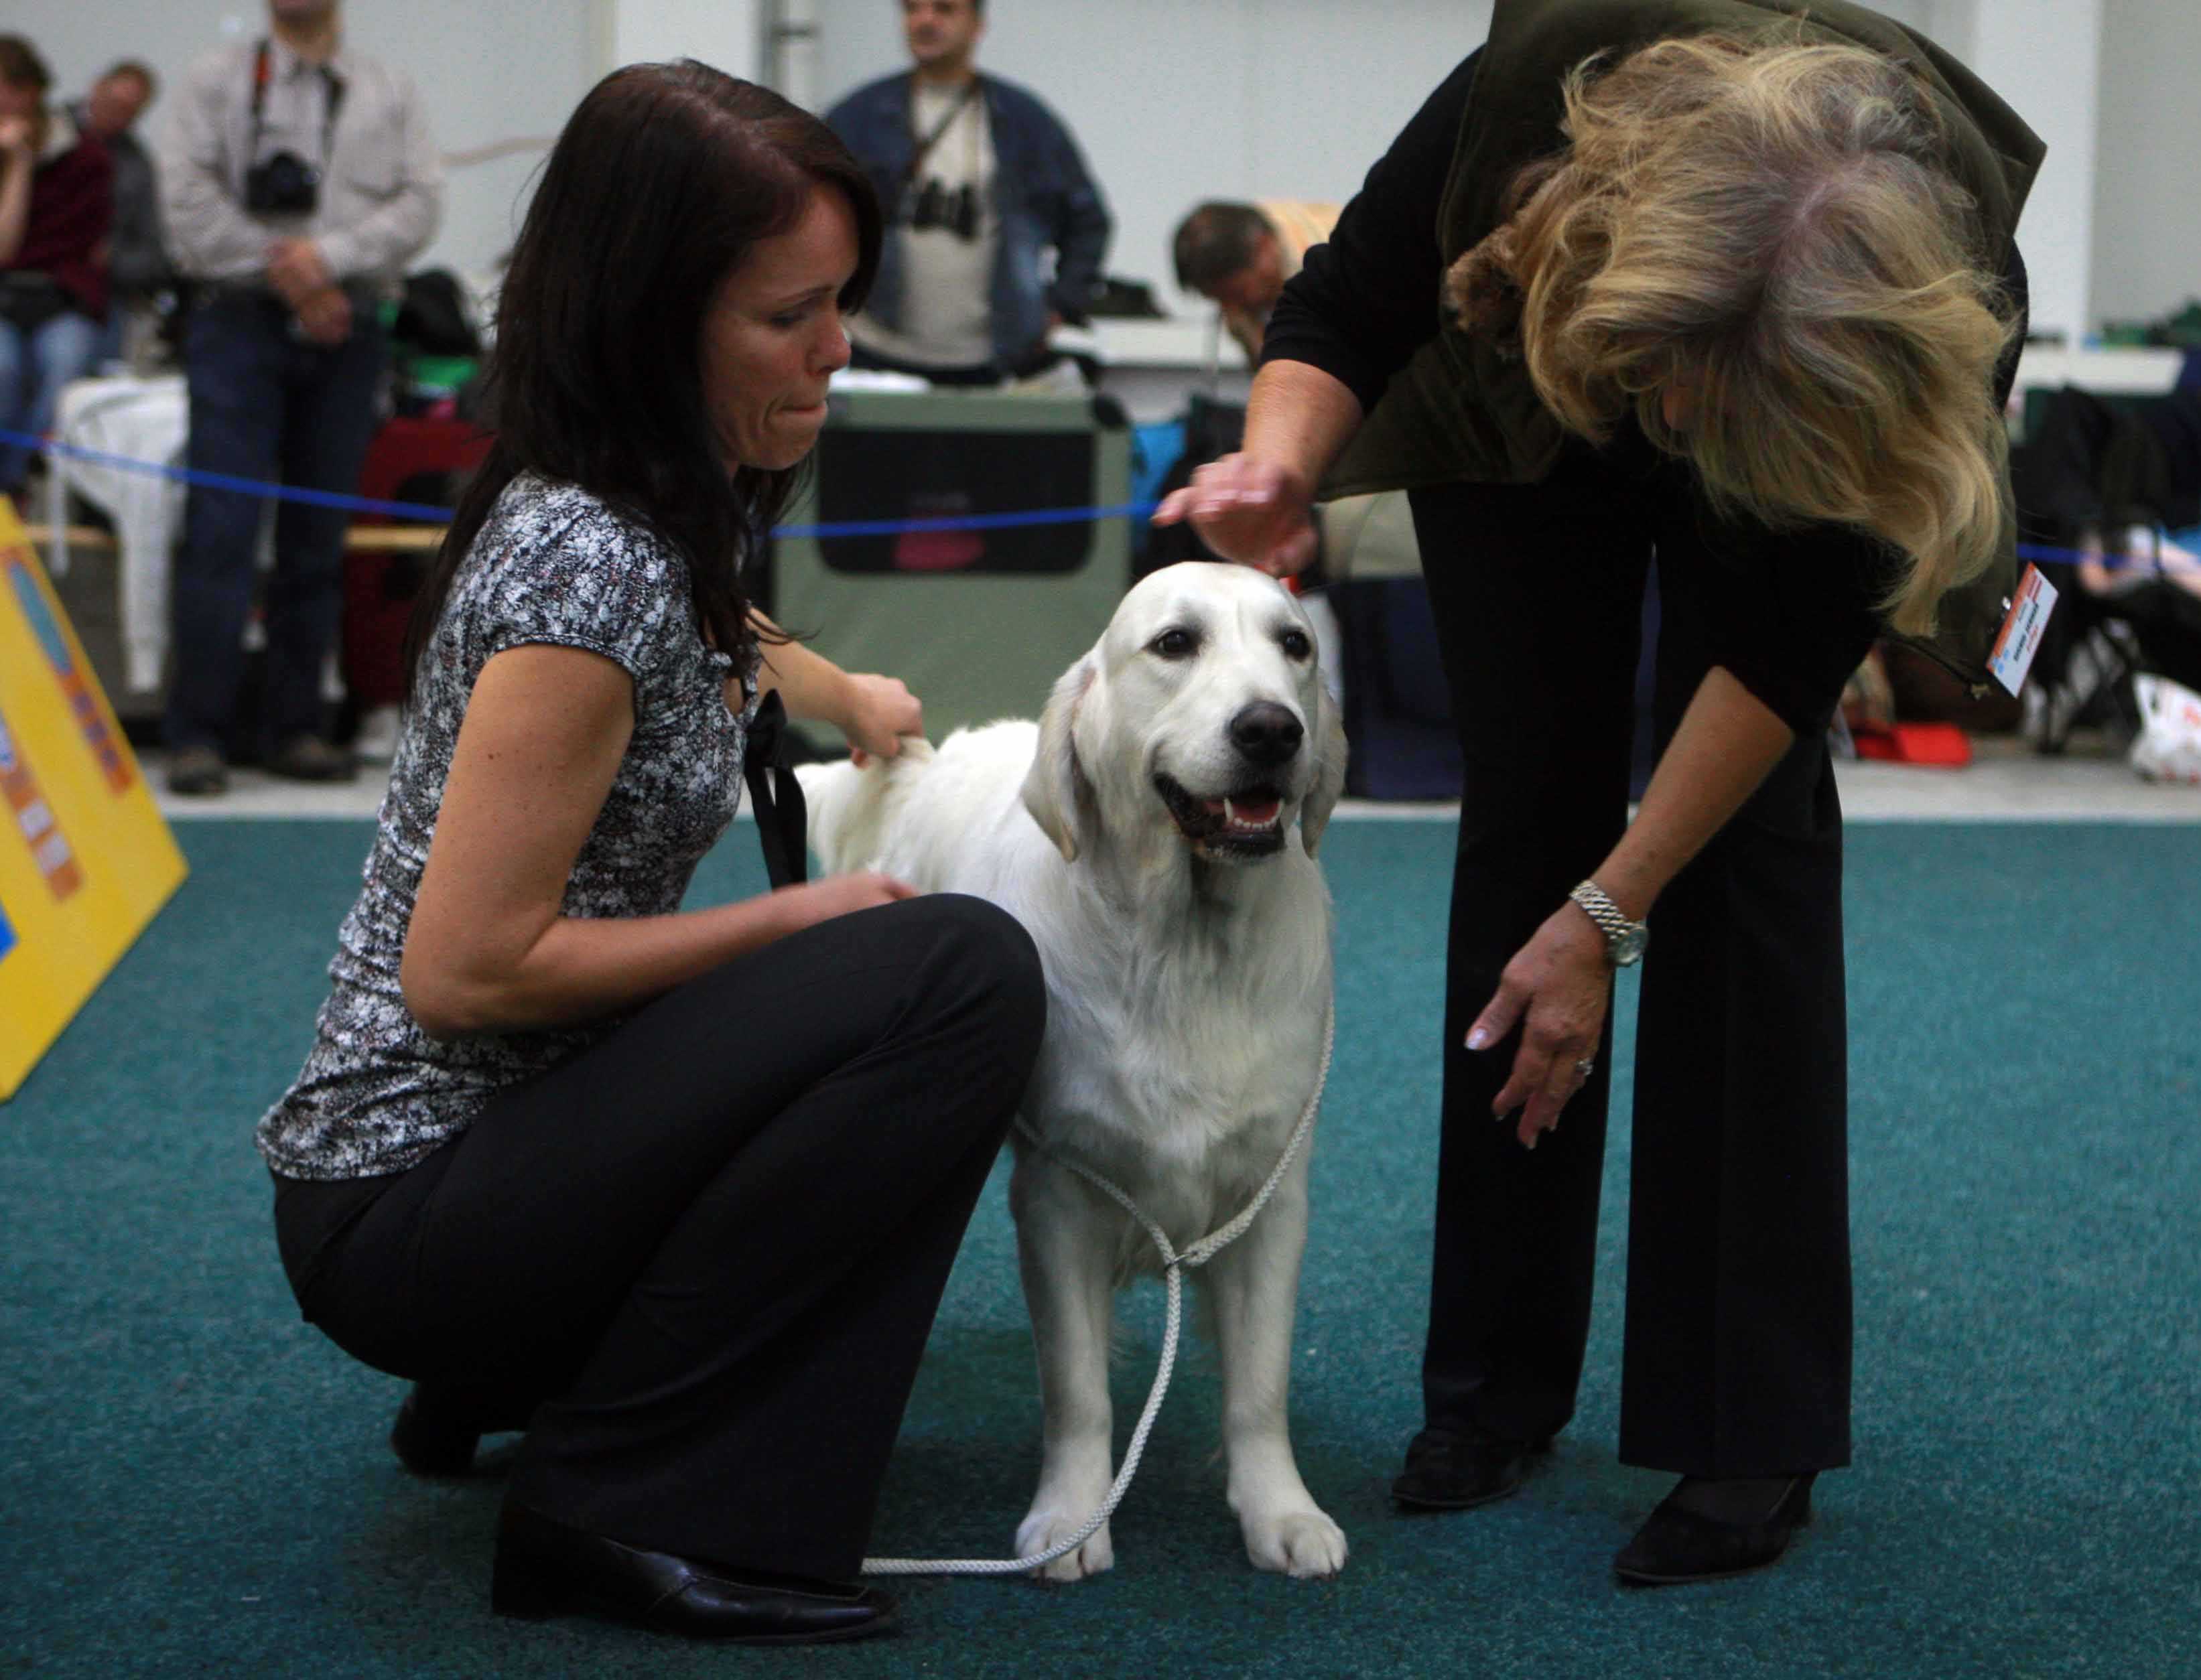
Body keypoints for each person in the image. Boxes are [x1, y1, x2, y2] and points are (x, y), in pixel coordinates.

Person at [1156, 0, 2039, 1585]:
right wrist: (1278, 465)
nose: (1678, 439)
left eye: (1702, 412)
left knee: (1742, 854)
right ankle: (1493, 1381)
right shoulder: (1517, 116)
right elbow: (1343, 306)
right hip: (1530, 367)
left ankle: (1744, 1424)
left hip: (1806, 373)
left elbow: (1778, 657)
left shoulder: (1929, 299)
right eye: (1677, 397)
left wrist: (1616, 909)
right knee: (1530, 824)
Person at [257, 60, 1047, 1645]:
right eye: (789, 314)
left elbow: (718, 631)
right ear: (651, 319)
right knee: (955, 972)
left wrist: (840, 691)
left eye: (843, 300)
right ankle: (628, 1496)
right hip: (406, 1205)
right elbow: (469, 966)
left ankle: (518, 1378)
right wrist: (803, 925)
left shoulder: (643, 506)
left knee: (896, 969)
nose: (837, 345)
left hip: (460, 1160)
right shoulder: (594, 560)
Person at [157, 0, 442, 794]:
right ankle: (197, 735)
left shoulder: (388, 90)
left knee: (317, 538)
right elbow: (186, 203)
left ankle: (295, 726)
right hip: (236, 326)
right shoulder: (213, 81)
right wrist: (291, 272)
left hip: (347, 332)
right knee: (222, 531)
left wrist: (327, 259)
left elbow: (421, 203)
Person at [824, 0, 1110, 384]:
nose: (925, 21)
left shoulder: (1023, 120)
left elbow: (1088, 220)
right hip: (876, 348)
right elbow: (813, 212)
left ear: (977, 24)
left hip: (993, 355)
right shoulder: (859, 116)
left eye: (944, 9)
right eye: (913, 9)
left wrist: (1060, 306)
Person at [0, 35, 111, 504]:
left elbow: (90, 245)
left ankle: (15, 480)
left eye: (14, 86)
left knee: (64, 364)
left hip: (61, 294)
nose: (6, 99)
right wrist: (18, 167)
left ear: (35, 90)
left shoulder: (85, 157)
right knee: (2, 369)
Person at [70, 60, 170, 365]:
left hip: (101, 290)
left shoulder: (137, 165)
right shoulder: (47, 135)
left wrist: (113, 258)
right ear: (96, 89)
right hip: (33, 280)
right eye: (113, 103)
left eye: (130, 111)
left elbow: (153, 249)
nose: (117, 116)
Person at [1171, 199, 1339, 362]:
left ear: (1265, 246)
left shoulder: (1335, 262)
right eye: (1219, 300)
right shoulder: (1250, 227)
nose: (1231, 309)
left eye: (1237, 293)